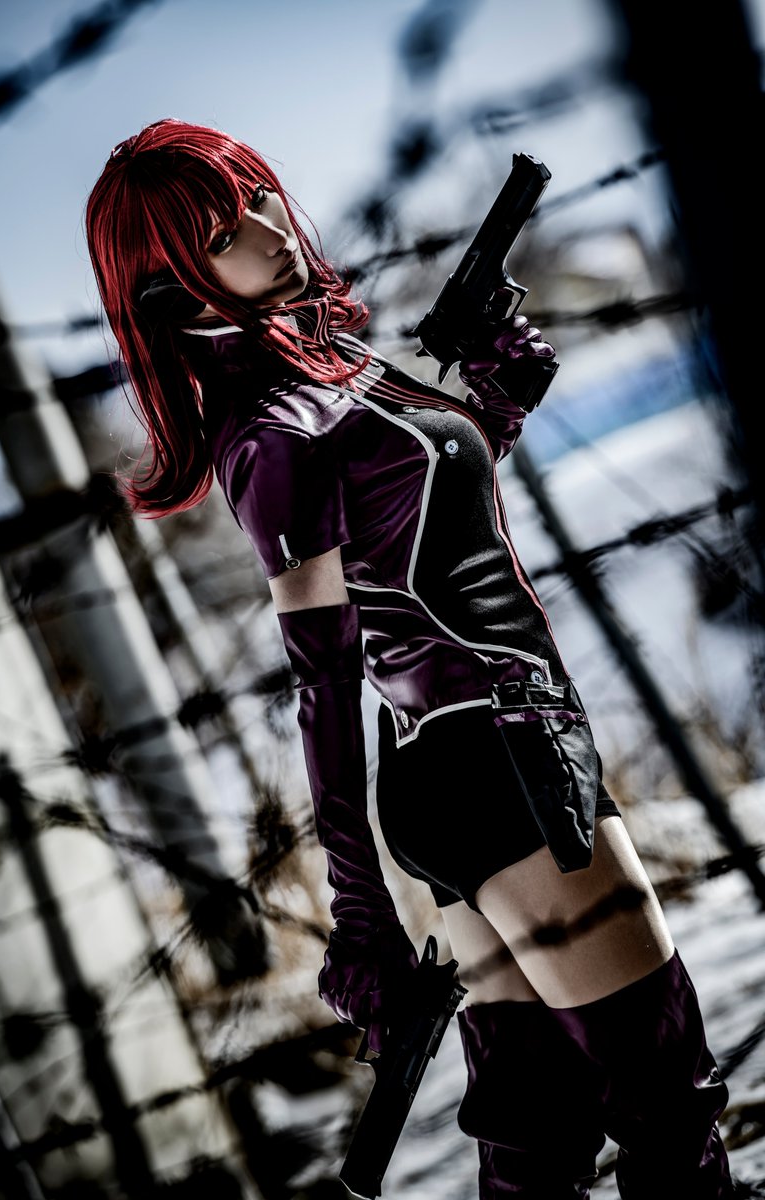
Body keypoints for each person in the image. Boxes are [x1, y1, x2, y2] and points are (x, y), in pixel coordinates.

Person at [85, 118, 741, 1199]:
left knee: (537, 1126)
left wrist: (491, 409)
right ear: (168, 291)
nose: (269, 232)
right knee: (665, 1096)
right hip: (496, 762)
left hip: (479, 757)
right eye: (222, 235)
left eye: (257, 197)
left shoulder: (332, 374)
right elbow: (321, 683)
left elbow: (421, 534)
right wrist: (359, 912)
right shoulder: (273, 435)